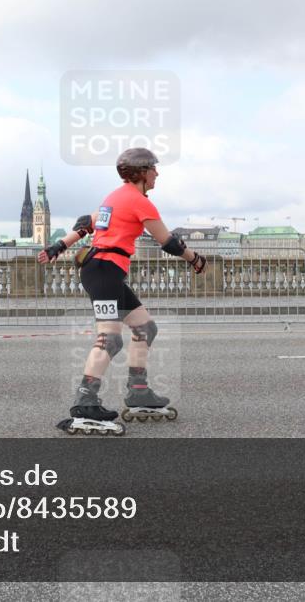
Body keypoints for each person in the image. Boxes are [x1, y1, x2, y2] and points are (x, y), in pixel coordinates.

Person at [37, 147, 207, 435]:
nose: (157, 173)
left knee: (145, 329)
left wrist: (59, 246)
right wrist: (195, 258)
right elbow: (167, 242)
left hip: (104, 270)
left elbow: (86, 223)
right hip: (103, 270)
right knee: (111, 339)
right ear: (141, 172)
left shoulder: (115, 197)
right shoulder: (140, 202)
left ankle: (138, 390)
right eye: (153, 167)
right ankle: (85, 402)